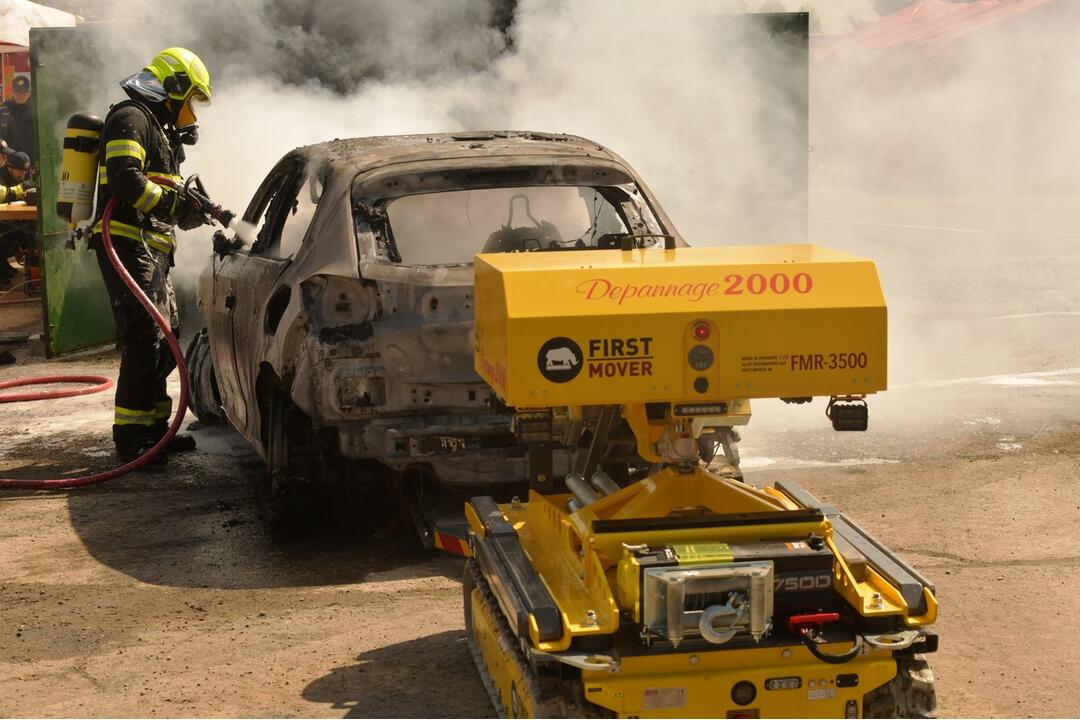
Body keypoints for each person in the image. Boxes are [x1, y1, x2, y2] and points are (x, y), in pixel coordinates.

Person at [91, 47, 212, 463]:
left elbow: (159, 185)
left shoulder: (158, 127)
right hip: (125, 243)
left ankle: (155, 430)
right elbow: (126, 179)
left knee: (165, 339)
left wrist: (187, 206)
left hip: (149, 249)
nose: (193, 111)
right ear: (174, 87)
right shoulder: (132, 117)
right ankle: (131, 439)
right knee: (144, 337)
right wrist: (173, 206)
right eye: (192, 99)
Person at [0, 151, 33, 286]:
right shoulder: (1, 177)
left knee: (20, 230)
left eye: (25, 172)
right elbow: (5, 194)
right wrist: (22, 189)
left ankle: (2, 263)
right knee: (10, 233)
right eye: (20, 171)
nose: (23, 176)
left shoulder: (15, 178)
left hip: (8, 217)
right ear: (10, 167)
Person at [0, 76, 35, 162]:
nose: (21, 95)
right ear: (12, 91)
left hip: (33, 160)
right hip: (10, 160)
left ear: (29, 92)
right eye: (18, 91)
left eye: (24, 92)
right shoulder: (3, 109)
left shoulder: (36, 108)